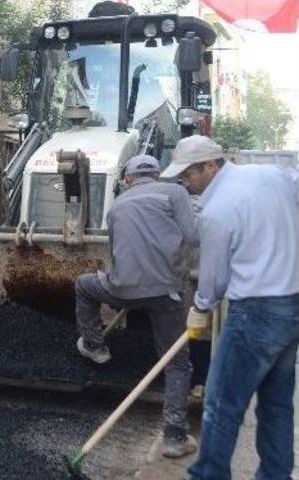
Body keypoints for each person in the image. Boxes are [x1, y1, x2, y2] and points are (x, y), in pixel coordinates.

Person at [166, 136, 299, 480]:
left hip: (254, 313)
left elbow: (213, 280)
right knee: (276, 405)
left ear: (211, 165)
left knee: (222, 404)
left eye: (189, 175)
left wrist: (200, 308)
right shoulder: (272, 176)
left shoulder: (216, 210)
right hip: (291, 305)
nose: (184, 182)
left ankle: (207, 475)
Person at [74, 154, 199, 458]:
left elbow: (116, 251)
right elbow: (195, 237)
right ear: (157, 175)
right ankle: (174, 437)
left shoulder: (116, 206)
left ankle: (95, 346)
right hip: (166, 293)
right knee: (177, 362)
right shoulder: (176, 193)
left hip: (121, 289)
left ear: (128, 179)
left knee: (83, 285)